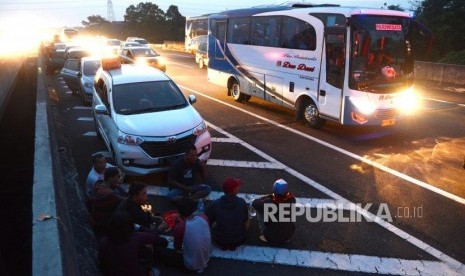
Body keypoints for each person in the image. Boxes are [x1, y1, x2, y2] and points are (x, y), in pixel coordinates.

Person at [98, 210, 164, 276]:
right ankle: (149, 271)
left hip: (111, 273)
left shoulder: (103, 241)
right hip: (134, 273)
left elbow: (102, 261)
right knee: (149, 245)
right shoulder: (135, 237)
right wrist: (140, 227)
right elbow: (154, 237)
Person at [155, 197, 211, 273]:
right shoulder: (204, 217)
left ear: (179, 211)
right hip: (207, 257)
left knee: (161, 252)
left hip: (190, 266)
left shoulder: (180, 227)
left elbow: (177, 247)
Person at [206, 177, 249, 250]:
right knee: (248, 217)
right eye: (237, 186)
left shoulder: (215, 204)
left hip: (219, 241)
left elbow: (208, 220)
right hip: (239, 240)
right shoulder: (242, 202)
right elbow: (245, 219)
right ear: (235, 190)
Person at [251, 179, 296, 244]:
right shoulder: (292, 199)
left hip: (271, 237)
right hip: (288, 236)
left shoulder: (268, 203)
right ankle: (284, 235)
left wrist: (264, 197)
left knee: (260, 209)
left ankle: (265, 233)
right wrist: (271, 196)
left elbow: (255, 203)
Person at [88, 167, 127, 239]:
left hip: (96, 220)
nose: (119, 178)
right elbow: (126, 201)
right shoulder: (110, 194)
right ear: (111, 178)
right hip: (104, 225)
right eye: (118, 176)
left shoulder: (99, 184)